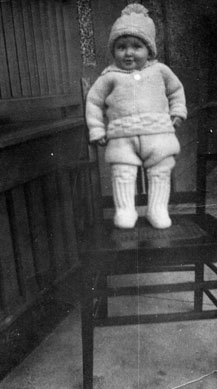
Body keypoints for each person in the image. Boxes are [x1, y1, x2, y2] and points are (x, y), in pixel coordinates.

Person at [86, 3, 187, 229]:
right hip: (122, 137)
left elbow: (176, 92)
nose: (129, 52)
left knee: (161, 171)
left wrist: (177, 112)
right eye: (121, 47)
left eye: (136, 46)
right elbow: (93, 102)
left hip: (158, 134)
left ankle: (157, 209)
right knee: (122, 172)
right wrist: (97, 128)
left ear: (149, 50)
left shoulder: (160, 71)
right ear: (113, 51)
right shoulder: (109, 77)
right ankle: (125, 210)